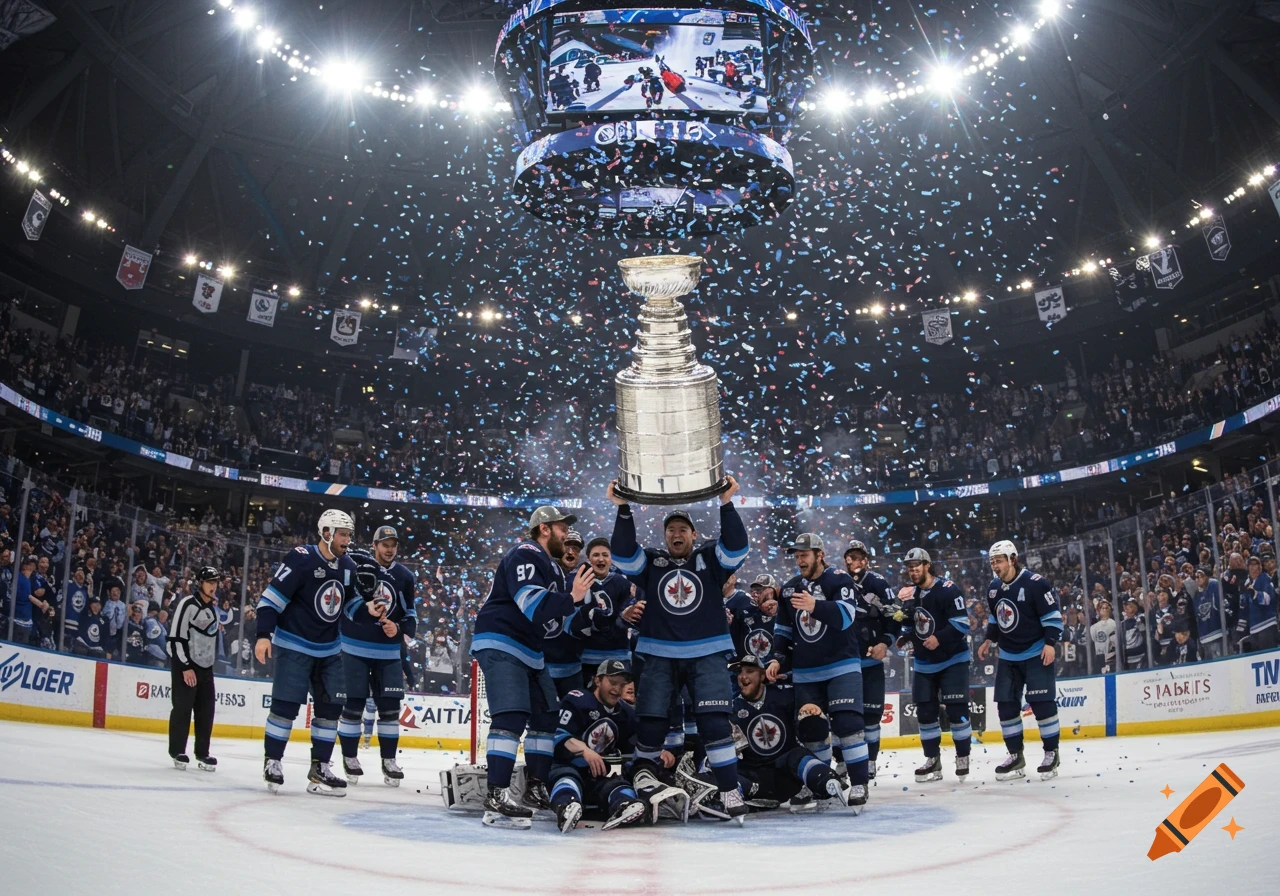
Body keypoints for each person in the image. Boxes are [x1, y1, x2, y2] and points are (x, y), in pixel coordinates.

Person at [608, 475, 750, 824]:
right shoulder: (653, 564)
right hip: (660, 652)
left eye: (682, 529)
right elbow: (624, 554)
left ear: (693, 535)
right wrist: (623, 509)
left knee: (715, 723)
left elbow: (737, 546)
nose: (676, 533)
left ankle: (729, 788)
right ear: (665, 536)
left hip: (707, 652)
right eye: (671, 529)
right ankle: (645, 783)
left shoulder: (710, 560)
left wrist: (726, 503)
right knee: (652, 724)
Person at [469, 505, 593, 829]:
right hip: (501, 640)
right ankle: (496, 793)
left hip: (530, 649)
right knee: (511, 714)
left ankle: (535, 787)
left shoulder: (552, 570)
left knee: (547, 715)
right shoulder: (525, 553)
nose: (567, 536)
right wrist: (574, 599)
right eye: (561, 528)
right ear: (544, 529)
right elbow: (534, 605)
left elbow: (555, 622)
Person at [254, 508, 360, 796]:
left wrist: (370, 609)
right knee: (286, 706)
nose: (347, 540)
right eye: (343, 534)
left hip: (329, 650)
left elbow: (349, 605)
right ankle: (272, 761)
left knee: (330, 708)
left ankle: (320, 767)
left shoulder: (348, 566)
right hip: (294, 645)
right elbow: (269, 601)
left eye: (349, 535)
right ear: (326, 533)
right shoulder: (300, 558)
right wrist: (264, 635)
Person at [766, 533, 867, 809]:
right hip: (807, 672)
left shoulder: (839, 579)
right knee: (811, 730)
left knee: (848, 725)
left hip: (841, 667)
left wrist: (815, 606)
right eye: (796, 555)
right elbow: (783, 631)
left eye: (804, 554)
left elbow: (847, 617)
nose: (799, 560)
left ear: (819, 555)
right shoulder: (789, 589)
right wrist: (776, 658)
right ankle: (820, 784)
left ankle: (859, 784)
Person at [977, 540, 1064, 781]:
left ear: (1012, 559)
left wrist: (1050, 643)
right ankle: (1016, 755)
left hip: (1036, 652)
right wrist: (987, 640)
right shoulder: (993, 589)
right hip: (1008, 656)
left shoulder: (1036, 584)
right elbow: (996, 620)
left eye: (999, 560)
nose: (995, 565)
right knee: (1006, 706)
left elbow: (1053, 616)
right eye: (992, 561)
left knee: (1042, 703)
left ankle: (1051, 753)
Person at [338, 525, 417, 787]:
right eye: (384, 544)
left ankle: (389, 760)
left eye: (393, 544)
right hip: (353, 648)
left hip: (388, 653)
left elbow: (411, 613)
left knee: (390, 709)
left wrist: (401, 629)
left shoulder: (405, 576)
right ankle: (350, 757)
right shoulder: (355, 567)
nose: (390, 548)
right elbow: (345, 603)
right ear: (374, 545)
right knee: (353, 706)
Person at [731, 655, 846, 811]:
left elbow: (802, 678)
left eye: (750, 671)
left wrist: (810, 707)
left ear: (763, 676)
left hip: (785, 777)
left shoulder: (784, 695)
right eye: (740, 672)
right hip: (754, 781)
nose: (743, 676)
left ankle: (827, 784)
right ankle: (726, 799)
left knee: (800, 750)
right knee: (731, 774)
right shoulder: (732, 708)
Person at [897, 547, 972, 783]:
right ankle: (932, 760)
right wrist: (905, 635)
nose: (913, 570)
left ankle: (963, 756)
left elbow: (962, 623)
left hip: (953, 660)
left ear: (927, 565)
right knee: (926, 714)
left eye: (917, 565)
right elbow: (912, 624)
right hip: (924, 663)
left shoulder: (948, 590)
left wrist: (939, 638)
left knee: (957, 711)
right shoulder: (910, 595)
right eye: (909, 567)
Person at [548, 660, 649, 834]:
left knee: (617, 784)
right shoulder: (577, 700)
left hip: (598, 775)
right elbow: (558, 735)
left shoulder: (626, 713)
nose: (617, 690)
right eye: (612, 682)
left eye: (622, 684)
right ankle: (567, 806)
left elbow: (631, 749)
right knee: (567, 777)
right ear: (597, 680)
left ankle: (625, 805)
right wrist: (585, 750)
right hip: (568, 766)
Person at [844, 540, 896, 778]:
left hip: (872, 662)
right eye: (848, 557)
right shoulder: (838, 582)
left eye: (856, 557)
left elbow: (895, 615)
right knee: (844, 713)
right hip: (845, 663)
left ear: (865, 560)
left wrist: (885, 641)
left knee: (872, 714)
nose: (851, 561)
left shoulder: (878, 583)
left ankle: (871, 759)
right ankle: (844, 761)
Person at [167, 566, 221, 771]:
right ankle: (177, 750)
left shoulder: (213, 610)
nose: (213, 586)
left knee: (206, 711)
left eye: (215, 582)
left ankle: (202, 753)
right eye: (209, 582)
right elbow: (174, 640)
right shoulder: (187, 604)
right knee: (182, 709)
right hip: (187, 666)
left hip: (206, 669)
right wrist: (185, 667)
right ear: (200, 583)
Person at [578, 537, 633, 685]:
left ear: (611, 559)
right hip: (586, 657)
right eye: (596, 555)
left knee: (620, 701)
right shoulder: (578, 581)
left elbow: (626, 616)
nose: (600, 559)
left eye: (605, 555)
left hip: (618, 655)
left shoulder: (623, 583)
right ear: (589, 558)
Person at [545, 529, 592, 699]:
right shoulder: (545, 574)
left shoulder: (584, 579)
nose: (571, 552)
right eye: (567, 547)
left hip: (572, 665)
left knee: (575, 715)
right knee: (543, 717)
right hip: (543, 664)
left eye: (576, 549)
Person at [729, 574, 778, 666]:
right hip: (748, 667)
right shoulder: (744, 612)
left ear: (772, 592)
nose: (755, 593)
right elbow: (734, 637)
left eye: (760, 591)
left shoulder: (783, 614)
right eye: (754, 590)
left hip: (774, 667)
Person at [1240, 555, 1277, 652]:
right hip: (1254, 629)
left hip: (1267, 625)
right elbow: (1245, 607)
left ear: (1260, 566)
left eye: (1255, 564)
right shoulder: (1248, 583)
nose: (1252, 567)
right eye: (1250, 564)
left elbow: (1268, 599)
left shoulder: (1265, 578)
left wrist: (1255, 594)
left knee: (1269, 657)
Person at [1191, 568, 1226, 658]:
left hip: (1217, 634)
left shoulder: (1213, 584)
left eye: (1200, 576)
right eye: (1196, 577)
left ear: (1207, 576)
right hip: (1204, 639)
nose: (1198, 578)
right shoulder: (1196, 595)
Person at [74, 593, 110, 659]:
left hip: (96, 649)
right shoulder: (85, 615)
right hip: (82, 645)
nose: (96, 607)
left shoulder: (104, 620)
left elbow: (106, 637)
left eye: (98, 605)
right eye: (94, 605)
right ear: (89, 605)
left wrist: (106, 649)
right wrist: (89, 594)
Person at [1088, 599, 1117, 673]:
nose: (1104, 610)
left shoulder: (1114, 624)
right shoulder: (1093, 627)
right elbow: (1094, 640)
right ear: (1098, 610)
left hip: (1112, 656)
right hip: (1099, 656)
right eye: (1102, 608)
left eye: (1106, 608)